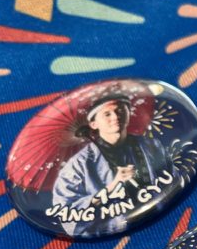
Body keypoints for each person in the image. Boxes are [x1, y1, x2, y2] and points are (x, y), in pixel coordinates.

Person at [52, 94, 172, 237]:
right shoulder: (78, 165)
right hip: (115, 234)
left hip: (164, 218)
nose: (115, 117)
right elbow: (67, 214)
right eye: (107, 114)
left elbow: (172, 180)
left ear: (129, 114)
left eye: (120, 110)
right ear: (94, 124)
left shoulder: (151, 145)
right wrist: (111, 187)